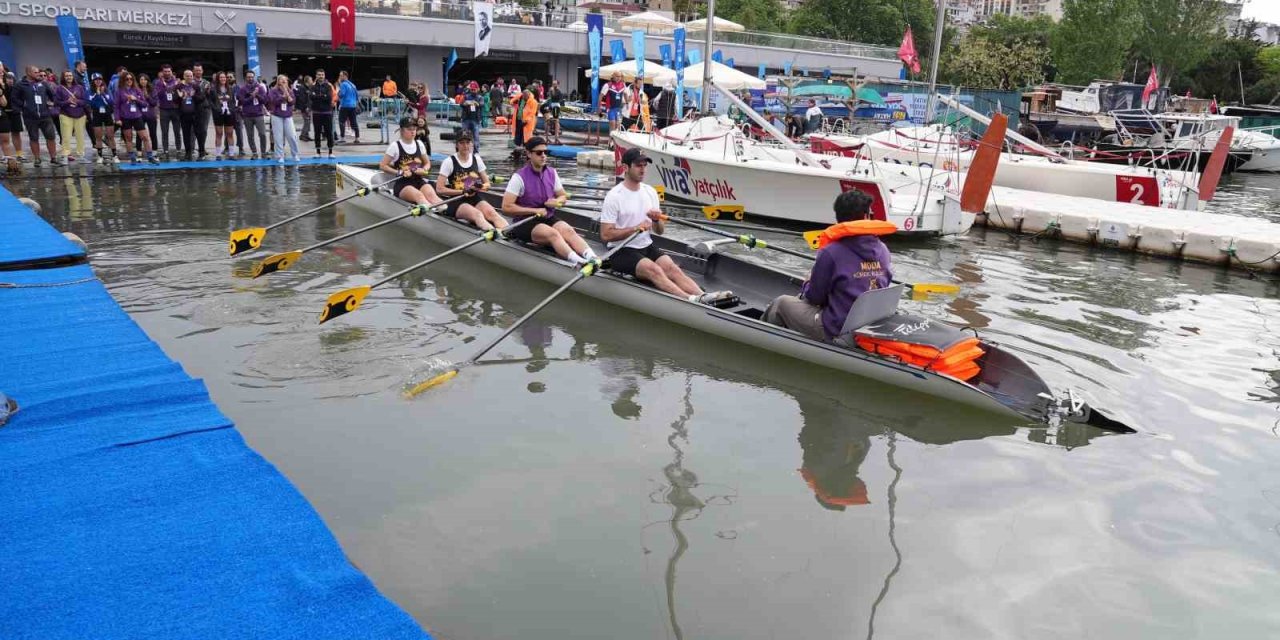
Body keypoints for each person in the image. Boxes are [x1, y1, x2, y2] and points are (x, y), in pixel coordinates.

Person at [762, 190, 894, 342]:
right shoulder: (883, 250)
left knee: (781, 303)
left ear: (839, 218)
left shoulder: (831, 252)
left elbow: (814, 298)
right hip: (869, 326)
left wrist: (808, 283)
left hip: (835, 329)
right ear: (866, 217)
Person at [600, 148, 707, 300]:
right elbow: (605, 235)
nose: (643, 169)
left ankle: (704, 297)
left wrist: (657, 220)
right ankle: (690, 300)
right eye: (638, 165)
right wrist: (634, 229)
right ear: (625, 167)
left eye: (644, 165)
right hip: (620, 250)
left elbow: (660, 231)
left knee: (672, 269)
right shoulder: (614, 196)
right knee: (654, 269)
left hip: (646, 246)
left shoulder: (650, 192)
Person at [501, 136, 597, 266]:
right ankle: (578, 262)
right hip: (525, 222)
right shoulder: (519, 177)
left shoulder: (552, 173)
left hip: (547, 216)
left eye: (546, 152)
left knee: (568, 230)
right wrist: (535, 210)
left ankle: (593, 258)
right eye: (539, 153)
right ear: (529, 154)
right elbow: (506, 207)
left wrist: (557, 202)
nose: (543, 156)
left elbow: (563, 196)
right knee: (552, 234)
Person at [435, 131, 505, 231]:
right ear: (457, 145)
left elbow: (487, 184)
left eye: (468, 142)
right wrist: (462, 191)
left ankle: (508, 235)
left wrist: (479, 186)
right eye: (462, 143)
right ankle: (494, 236)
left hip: (474, 197)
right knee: (478, 215)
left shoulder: (477, 159)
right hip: (457, 200)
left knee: (493, 213)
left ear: (472, 144)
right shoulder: (449, 162)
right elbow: (439, 189)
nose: (465, 146)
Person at [380, 116, 441, 205]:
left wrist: (424, 170)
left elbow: (427, 163)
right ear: (401, 130)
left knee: (434, 197)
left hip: (418, 180)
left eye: (414, 128)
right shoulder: (395, 146)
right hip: (403, 183)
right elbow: (383, 166)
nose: (413, 131)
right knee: (419, 196)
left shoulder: (419, 144)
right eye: (409, 129)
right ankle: (427, 212)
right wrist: (399, 172)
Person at [13, 66, 58, 167]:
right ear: (29, 73)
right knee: (34, 138)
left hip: (45, 115)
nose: (38, 74)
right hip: (30, 117)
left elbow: (53, 95)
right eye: (36, 72)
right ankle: (37, 159)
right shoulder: (20, 85)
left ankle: (53, 158)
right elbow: (14, 98)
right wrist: (23, 105)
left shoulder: (43, 84)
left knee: (51, 137)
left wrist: (52, 103)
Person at [112, 71, 158, 164]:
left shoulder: (137, 90)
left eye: (131, 79)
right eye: (127, 79)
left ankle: (150, 156)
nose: (129, 80)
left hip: (137, 116)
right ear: (123, 80)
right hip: (125, 118)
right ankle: (132, 157)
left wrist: (135, 99)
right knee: (128, 138)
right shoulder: (119, 91)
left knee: (145, 137)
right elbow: (116, 106)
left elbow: (145, 104)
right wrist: (117, 119)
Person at [54, 70, 88, 163]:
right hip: (66, 115)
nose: (69, 77)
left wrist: (77, 101)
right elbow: (57, 102)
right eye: (67, 76)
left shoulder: (80, 87)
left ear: (73, 77)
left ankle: (81, 155)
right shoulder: (59, 88)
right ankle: (65, 156)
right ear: (63, 77)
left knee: (80, 136)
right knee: (66, 136)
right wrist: (67, 101)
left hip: (80, 115)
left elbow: (85, 101)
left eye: (70, 75)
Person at [267, 74, 301, 163]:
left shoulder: (290, 90)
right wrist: (282, 97)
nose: (283, 82)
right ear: (278, 81)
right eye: (281, 80)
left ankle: (295, 154)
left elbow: (292, 101)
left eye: (285, 80)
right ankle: (279, 156)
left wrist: (287, 94)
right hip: (276, 116)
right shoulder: (273, 91)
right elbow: (272, 101)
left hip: (288, 116)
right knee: (278, 137)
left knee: (292, 136)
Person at [237, 70, 269, 159]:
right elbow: (243, 102)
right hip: (247, 115)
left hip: (258, 114)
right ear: (245, 78)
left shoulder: (260, 87)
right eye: (248, 77)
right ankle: (254, 152)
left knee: (262, 134)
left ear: (254, 77)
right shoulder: (242, 89)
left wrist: (257, 95)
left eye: (251, 77)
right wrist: (252, 96)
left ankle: (263, 152)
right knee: (250, 135)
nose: (250, 78)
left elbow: (265, 100)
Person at [87, 74, 117, 164]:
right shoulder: (90, 91)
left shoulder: (106, 90)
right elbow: (89, 102)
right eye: (96, 79)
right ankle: (100, 156)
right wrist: (97, 94)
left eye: (100, 79)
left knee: (110, 136)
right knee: (98, 137)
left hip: (107, 113)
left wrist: (103, 93)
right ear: (93, 81)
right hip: (96, 113)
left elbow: (111, 102)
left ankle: (114, 155)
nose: (98, 81)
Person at [153, 64, 180, 160]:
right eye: (165, 71)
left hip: (175, 109)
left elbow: (180, 94)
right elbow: (156, 95)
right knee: (164, 131)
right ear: (162, 72)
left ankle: (178, 149)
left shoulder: (177, 81)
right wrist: (164, 86)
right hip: (164, 109)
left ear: (171, 72)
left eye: (169, 71)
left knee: (177, 131)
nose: (167, 73)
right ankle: (165, 150)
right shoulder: (158, 83)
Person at [310, 69, 336, 157]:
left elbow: (329, 97)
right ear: (316, 76)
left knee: (329, 132)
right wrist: (322, 96)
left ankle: (330, 152)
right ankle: (318, 152)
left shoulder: (328, 86)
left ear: (324, 76)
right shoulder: (312, 86)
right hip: (316, 113)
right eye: (319, 75)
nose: (320, 76)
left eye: (322, 74)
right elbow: (311, 97)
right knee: (317, 132)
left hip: (327, 112)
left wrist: (317, 96)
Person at [176, 69, 201, 161]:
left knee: (198, 133)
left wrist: (193, 95)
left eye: (191, 75)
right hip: (184, 114)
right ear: (184, 76)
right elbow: (174, 99)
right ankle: (188, 152)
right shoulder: (179, 86)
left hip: (195, 114)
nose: (189, 77)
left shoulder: (196, 86)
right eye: (187, 76)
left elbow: (201, 98)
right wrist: (180, 97)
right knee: (186, 134)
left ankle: (201, 151)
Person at [211, 71, 236, 160]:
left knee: (230, 133)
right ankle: (218, 154)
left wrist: (232, 109)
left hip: (229, 113)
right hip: (218, 114)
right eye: (221, 77)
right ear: (218, 79)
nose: (223, 79)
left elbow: (233, 101)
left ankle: (231, 154)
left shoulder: (230, 89)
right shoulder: (213, 89)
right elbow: (211, 102)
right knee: (219, 133)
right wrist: (216, 109)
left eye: (224, 77)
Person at [191, 63, 212, 159]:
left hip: (205, 109)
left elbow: (212, 97)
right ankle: (191, 149)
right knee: (192, 130)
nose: (198, 72)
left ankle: (202, 149)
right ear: (193, 71)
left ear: (202, 71)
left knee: (203, 130)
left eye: (200, 70)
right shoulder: (190, 82)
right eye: (196, 70)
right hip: (192, 108)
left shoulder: (207, 83)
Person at [137, 74, 160, 158]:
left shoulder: (153, 90)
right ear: (139, 81)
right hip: (140, 115)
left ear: (147, 81)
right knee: (139, 134)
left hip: (151, 115)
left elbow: (154, 103)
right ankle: (139, 151)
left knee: (153, 133)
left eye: (144, 79)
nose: (143, 81)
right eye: (141, 80)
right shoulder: (136, 89)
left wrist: (147, 96)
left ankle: (154, 151)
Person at [337, 70, 360, 143]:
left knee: (341, 121)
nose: (340, 77)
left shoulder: (343, 84)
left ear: (345, 76)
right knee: (354, 122)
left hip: (345, 106)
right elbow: (357, 96)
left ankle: (342, 138)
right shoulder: (353, 85)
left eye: (341, 75)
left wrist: (338, 92)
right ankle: (357, 138)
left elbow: (342, 94)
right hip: (353, 106)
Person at [459, 82, 482, 150]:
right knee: (464, 136)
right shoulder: (466, 96)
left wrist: (476, 103)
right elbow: (461, 104)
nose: (473, 91)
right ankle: (465, 149)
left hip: (476, 119)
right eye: (472, 90)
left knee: (476, 136)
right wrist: (464, 104)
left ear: (477, 89)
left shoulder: (480, 97)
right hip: (466, 119)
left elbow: (482, 104)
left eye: (474, 89)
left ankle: (476, 150)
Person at [544, 79, 564, 144]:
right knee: (547, 120)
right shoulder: (551, 90)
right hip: (551, 105)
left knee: (556, 120)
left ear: (558, 84)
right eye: (553, 84)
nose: (554, 85)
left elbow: (560, 100)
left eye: (555, 84)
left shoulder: (559, 91)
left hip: (556, 105)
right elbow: (549, 98)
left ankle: (556, 137)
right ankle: (547, 136)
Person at [296, 75, 313, 142]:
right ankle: (302, 135)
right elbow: (302, 99)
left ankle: (306, 135)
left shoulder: (309, 88)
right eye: (311, 80)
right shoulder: (302, 88)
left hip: (308, 108)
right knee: (306, 121)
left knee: (308, 122)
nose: (312, 81)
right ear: (307, 81)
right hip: (305, 108)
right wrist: (306, 107)